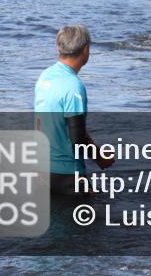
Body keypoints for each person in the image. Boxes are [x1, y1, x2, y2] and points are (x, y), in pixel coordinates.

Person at [34, 25, 115, 197]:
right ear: (86, 49)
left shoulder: (44, 77)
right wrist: (100, 159)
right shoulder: (74, 86)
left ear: (59, 47)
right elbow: (77, 139)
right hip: (68, 176)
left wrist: (98, 152)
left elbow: (47, 124)